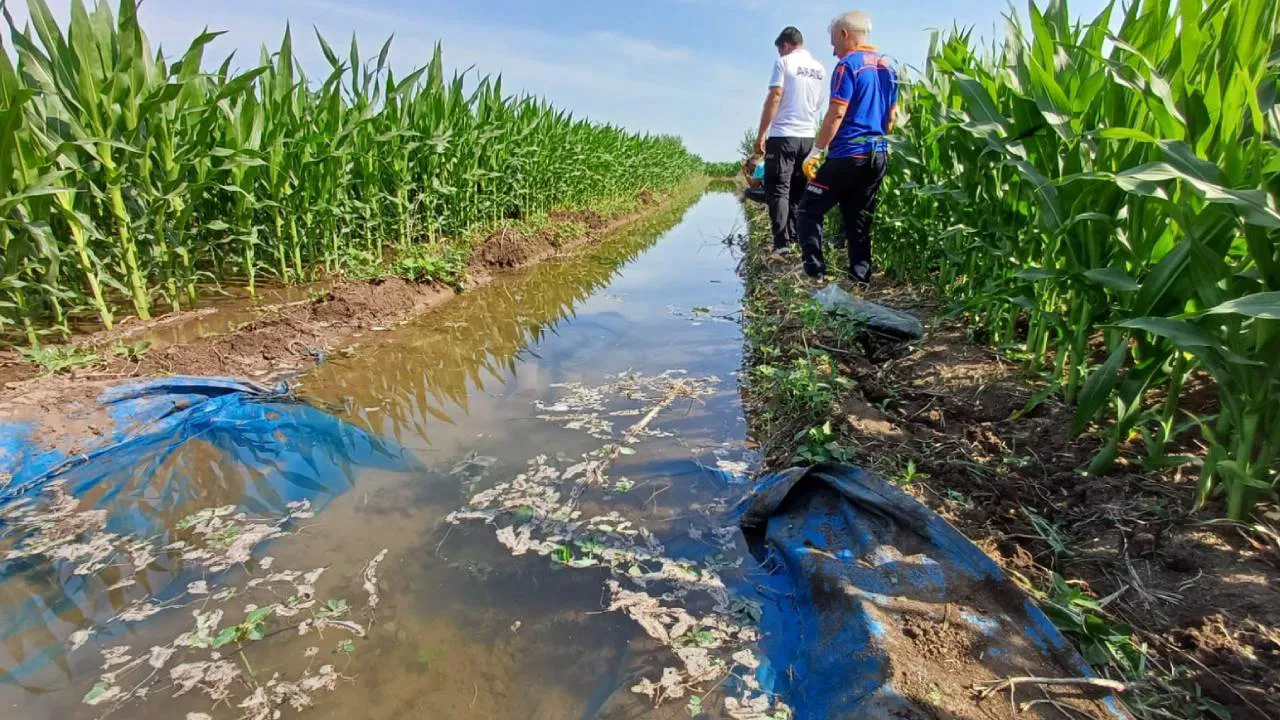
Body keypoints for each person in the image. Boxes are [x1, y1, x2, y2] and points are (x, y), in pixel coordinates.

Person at [796, 11, 897, 286]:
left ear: (845, 34)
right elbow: (891, 117)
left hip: (848, 155)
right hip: (877, 155)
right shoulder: (889, 67)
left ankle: (815, 274)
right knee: (858, 217)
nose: (833, 51)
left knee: (808, 209)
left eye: (834, 43)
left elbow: (836, 113)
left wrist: (817, 151)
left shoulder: (847, 66)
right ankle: (859, 279)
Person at [753, 26, 826, 257]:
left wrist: (761, 134)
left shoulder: (783, 63)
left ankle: (781, 244)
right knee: (799, 190)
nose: (780, 54)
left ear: (785, 46)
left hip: (783, 135)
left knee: (778, 190)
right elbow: (818, 103)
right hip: (808, 137)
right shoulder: (819, 69)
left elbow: (775, 96)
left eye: (780, 50)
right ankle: (797, 238)